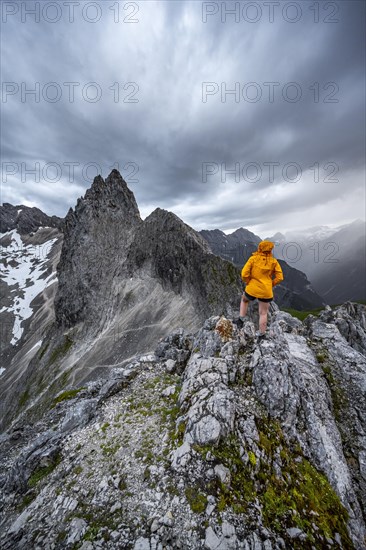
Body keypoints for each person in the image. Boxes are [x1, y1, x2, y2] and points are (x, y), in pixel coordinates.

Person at [234, 240, 284, 338]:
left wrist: (248, 281)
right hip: (266, 291)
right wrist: (270, 284)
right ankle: (262, 334)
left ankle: (240, 320)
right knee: (263, 313)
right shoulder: (274, 262)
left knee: (244, 300)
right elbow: (280, 278)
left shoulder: (253, 259)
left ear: (260, 248)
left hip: (252, 288)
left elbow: (244, 274)